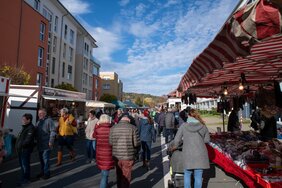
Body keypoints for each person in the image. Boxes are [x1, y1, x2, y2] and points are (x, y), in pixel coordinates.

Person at [173, 109, 210, 188]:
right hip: (200, 154)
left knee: (187, 174)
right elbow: (207, 140)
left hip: (187, 154)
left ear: (188, 116)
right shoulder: (203, 126)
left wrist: (176, 146)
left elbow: (176, 140)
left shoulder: (183, 126)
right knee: (198, 175)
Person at [109, 115, 141, 188]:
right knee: (126, 176)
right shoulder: (133, 128)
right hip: (128, 156)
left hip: (116, 156)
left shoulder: (113, 128)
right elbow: (136, 143)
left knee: (119, 175)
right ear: (128, 121)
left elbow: (110, 142)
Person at [93, 114, 115, 188]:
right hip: (109, 152)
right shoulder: (112, 129)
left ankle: (105, 183)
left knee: (103, 170)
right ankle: (103, 185)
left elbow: (94, 136)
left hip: (100, 152)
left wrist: (96, 125)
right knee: (105, 173)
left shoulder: (98, 129)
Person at [35, 108, 56, 179]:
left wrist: (51, 141)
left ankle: (47, 173)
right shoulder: (38, 121)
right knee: (41, 159)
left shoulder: (49, 121)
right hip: (39, 144)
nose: (39, 115)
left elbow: (53, 131)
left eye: (41, 113)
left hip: (46, 143)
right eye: (39, 114)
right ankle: (43, 172)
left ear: (45, 114)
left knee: (45, 159)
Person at [16, 113, 35, 186]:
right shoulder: (25, 127)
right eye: (22, 119)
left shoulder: (30, 128)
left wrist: (20, 145)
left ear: (29, 120)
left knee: (25, 165)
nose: (22, 120)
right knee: (23, 165)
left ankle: (26, 179)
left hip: (25, 150)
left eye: (24, 119)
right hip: (21, 150)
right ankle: (24, 178)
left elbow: (28, 140)